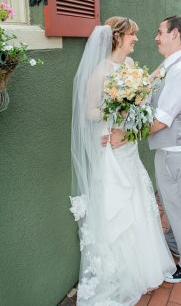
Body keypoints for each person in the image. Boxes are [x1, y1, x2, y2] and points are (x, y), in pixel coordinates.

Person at [70, 16, 175, 306]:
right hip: (109, 145)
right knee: (116, 201)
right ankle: (120, 270)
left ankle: (142, 266)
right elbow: (89, 111)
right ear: (117, 37)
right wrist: (112, 107)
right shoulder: (99, 72)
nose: (136, 40)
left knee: (137, 199)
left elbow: (139, 102)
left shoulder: (129, 67)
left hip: (125, 143)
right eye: (132, 35)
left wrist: (131, 108)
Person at [109, 15, 181, 283]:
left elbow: (161, 119)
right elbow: (146, 94)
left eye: (160, 32)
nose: (156, 37)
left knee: (180, 207)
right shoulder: (169, 65)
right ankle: (175, 242)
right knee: (172, 205)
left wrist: (126, 135)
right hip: (169, 152)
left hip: (178, 154)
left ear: (175, 34)